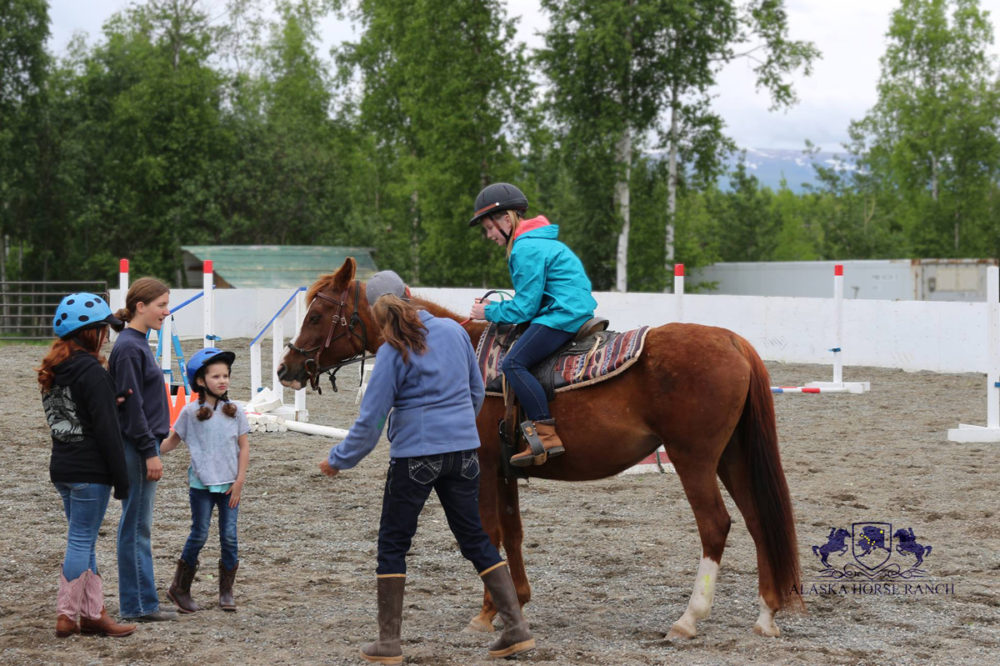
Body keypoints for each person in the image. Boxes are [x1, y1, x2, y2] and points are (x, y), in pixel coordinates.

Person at [318, 270, 534, 663]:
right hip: (463, 453)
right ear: (410, 294)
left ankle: (388, 643)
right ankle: (516, 629)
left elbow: (371, 420)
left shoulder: (392, 349)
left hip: (415, 456)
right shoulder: (454, 332)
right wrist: (459, 432)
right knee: (475, 540)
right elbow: (474, 390)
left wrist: (339, 459)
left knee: (393, 544)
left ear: (374, 310)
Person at [468, 182, 598, 466]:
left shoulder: (524, 249)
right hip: (571, 309)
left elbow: (525, 307)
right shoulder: (541, 242)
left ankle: (545, 434)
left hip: (561, 315)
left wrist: (487, 313)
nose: (489, 235)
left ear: (506, 219)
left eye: (490, 227)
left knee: (512, 364)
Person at [39, 293, 137, 638]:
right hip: (89, 470)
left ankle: (93, 614)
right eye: (102, 330)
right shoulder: (91, 370)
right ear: (89, 333)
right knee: (81, 541)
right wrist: (122, 480)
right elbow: (107, 430)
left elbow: (74, 413)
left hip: (63, 466)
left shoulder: (56, 368)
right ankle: (67, 614)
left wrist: (110, 399)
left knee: (85, 541)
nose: (106, 336)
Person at [160, 347, 249, 613]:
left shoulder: (236, 412)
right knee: (198, 534)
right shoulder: (189, 413)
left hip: (229, 487)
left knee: (229, 537)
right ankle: (180, 587)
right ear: (200, 381)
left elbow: (244, 447)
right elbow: (172, 442)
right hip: (201, 487)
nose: (223, 380)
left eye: (226, 375)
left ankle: (226, 592)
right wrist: (148, 450)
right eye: (216, 376)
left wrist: (240, 481)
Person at [108, 277, 177, 622]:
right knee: (136, 526)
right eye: (161, 305)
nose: (166, 311)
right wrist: (151, 450)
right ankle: (137, 606)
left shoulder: (135, 343)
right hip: (137, 448)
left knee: (137, 525)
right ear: (140, 306)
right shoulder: (131, 347)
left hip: (141, 445)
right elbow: (132, 408)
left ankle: (143, 601)